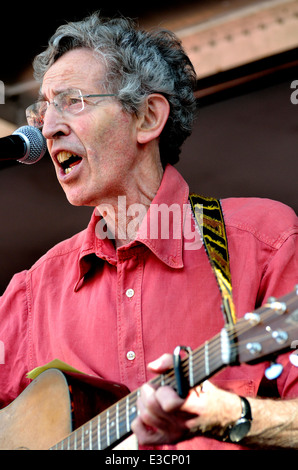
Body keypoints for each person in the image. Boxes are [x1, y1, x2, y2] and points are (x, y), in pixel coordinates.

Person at [0, 12, 297, 451]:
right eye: (43, 109)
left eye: (73, 101)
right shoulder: (29, 295)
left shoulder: (264, 241)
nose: (48, 127)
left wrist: (230, 415)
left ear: (147, 118)